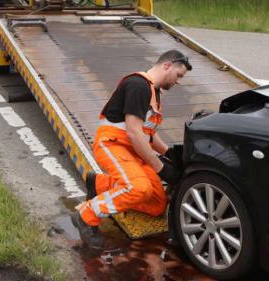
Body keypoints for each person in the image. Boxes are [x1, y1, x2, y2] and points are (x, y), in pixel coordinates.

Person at [71, 49, 192, 248]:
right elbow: (134, 133)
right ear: (167, 65)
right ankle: (86, 215)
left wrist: (168, 153)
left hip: (133, 150)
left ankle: (100, 184)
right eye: (179, 75)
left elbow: (147, 134)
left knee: (156, 204)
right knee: (138, 188)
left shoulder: (154, 92)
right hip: (112, 144)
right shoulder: (139, 86)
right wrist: (160, 168)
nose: (178, 81)